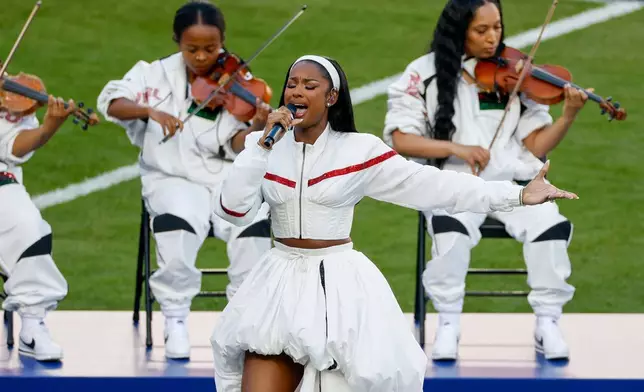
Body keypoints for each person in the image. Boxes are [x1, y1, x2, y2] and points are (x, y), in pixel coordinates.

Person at [209, 53, 577, 392]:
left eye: (310, 86)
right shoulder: (263, 148)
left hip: (338, 291)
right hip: (278, 287)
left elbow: (435, 187)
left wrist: (516, 195)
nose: (297, 92)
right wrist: (260, 149)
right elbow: (232, 209)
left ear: (332, 97)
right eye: (292, 84)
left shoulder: (359, 150)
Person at [383, 0, 590, 361]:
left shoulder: (515, 74)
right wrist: (456, 148)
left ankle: (548, 321)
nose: (493, 38)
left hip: (517, 184)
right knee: (450, 229)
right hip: (455, 182)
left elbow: (537, 143)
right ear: (458, 31)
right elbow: (401, 139)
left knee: (551, 227)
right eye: (481, 30)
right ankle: (448, 321)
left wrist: (568, 116)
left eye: (497, 27)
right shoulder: (421, 74)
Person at [96, 0, 273, 360]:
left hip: (225, 176)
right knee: (178, 223)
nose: (202, 57)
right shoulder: (151, 74)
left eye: (211, 48)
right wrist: (149, 111)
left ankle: (243, 319)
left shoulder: (237, 81)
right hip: (171, 176)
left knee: (254, 222)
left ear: (223, 41)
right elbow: (111, 102)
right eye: (192, 49)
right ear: (177, 41)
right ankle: (175, 317)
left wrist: (256, 127)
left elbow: (237, 145)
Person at [0, 90, 78, 361]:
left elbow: (14, 146)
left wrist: (47, 129)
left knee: (29, 226)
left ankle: (32, 326)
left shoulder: (10, 107)